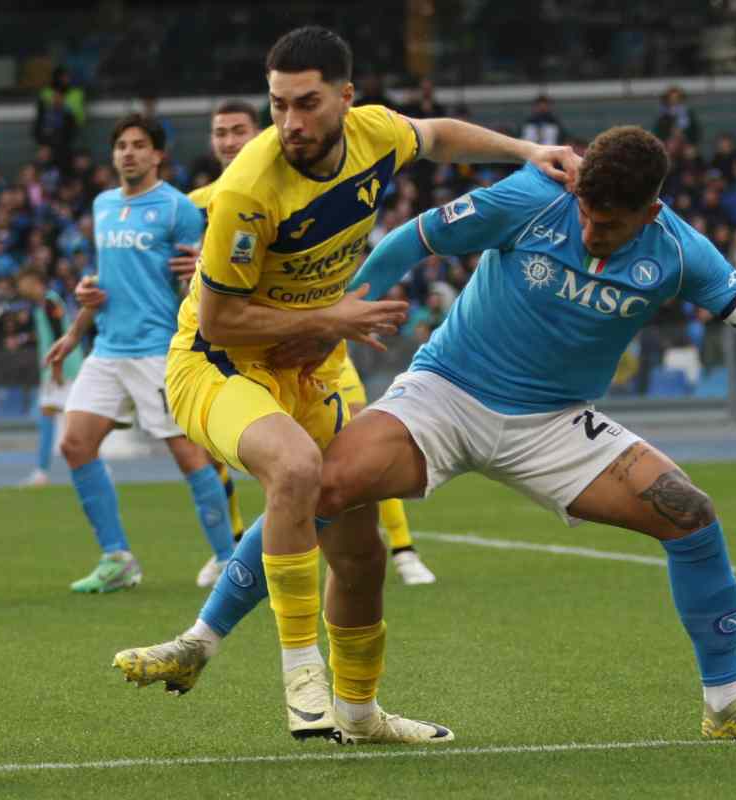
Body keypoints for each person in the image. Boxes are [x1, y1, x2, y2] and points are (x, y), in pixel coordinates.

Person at [307, 125, 736, 740]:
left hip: (554, 421)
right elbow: (414, 240)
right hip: (447, 391)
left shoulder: (681, 251)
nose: (591, 232)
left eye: (610, 225)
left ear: (651, 212)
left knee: (689, 513)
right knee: (322, 486)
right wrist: (337, 319)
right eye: (586, 215)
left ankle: (727, 706)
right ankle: (209, 639)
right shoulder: (534, 195)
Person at [111, 25, 579, 744]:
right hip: (216, 364)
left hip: (310, 367)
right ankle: (303, 678)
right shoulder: (246, 191)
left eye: (307, 104)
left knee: (361, 553)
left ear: (347, 99)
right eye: (278, 106)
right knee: (294, 469)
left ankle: (360, 715)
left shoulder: (375, 133)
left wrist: (525, 152)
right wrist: (333, 314)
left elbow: (437, 136)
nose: (291, 124)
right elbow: (220, 318)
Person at [185, 98, 435, 586]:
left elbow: (430, 137)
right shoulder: (199, 205)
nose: (229, 141)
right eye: (220, 133)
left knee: (353, 443)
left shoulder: (299, 176)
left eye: (238, 131)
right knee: (286, 467)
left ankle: (403, 550)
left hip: (324, 344)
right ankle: (233, 553)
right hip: (249, 351)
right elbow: (207, 301)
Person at [43, 113, 236, 594]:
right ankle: (117, 558)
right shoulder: (104, 204)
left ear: (156, 154)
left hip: (157, 348)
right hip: (107, 347)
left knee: (190, 456)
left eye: (137, 145)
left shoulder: (176, 209)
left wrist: (198, 269)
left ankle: (230, 562)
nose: (128, 153)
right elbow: (105, 279)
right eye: (121, 145)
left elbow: (200, 280)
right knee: (74, 444)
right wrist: (74, 329)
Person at [16, 267, 83, 487]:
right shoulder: (45, 304)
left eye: (23, 282)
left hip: (63, 369)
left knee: (63, 419)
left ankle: (42, 472)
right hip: (60, 368)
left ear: (35, 281)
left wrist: (57, 369)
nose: (20, 287)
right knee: (60, 418)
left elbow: (59, 335)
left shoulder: (49, 302)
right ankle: (43, 471)